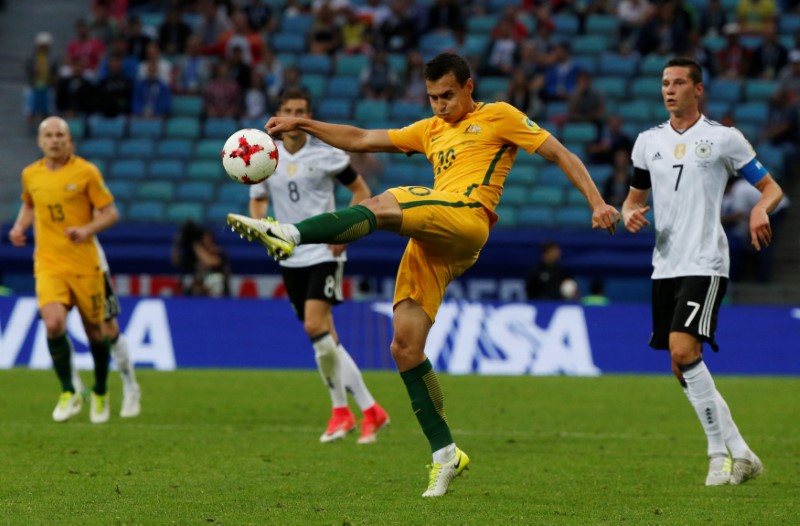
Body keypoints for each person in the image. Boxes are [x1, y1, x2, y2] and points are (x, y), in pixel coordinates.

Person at [226, 53, 620, 496]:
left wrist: (597, 201)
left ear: (469, 87)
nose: (439, 105)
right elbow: (360, 138)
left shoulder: (499, 116)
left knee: (388, 200)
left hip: (469, 219)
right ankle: (445, 453)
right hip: (436, 241)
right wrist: (307, 126)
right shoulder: (430, 129)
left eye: (447, 96)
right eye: (433, 97)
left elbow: (559, 152)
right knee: (405, 348)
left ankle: (290, 233)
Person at [622, 57, 784, 486]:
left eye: (678, 83)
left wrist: (758, 212)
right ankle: (742, 453)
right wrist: (629, 213)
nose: (669, 90)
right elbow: (634, 200)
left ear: (698, 90)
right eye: (664, 83)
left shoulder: (723, 138)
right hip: (665, 264)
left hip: (706, 261)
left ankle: (718, 456)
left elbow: (772, 188)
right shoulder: (646, 142)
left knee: (681, 351)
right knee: (681, 365)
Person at [247, 88, 390, 444]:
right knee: (326, 340)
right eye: (288, 109)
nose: (294, 116)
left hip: (325, 250)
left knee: (315, 326)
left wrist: (345, 228)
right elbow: (258, 201)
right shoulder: (265, 155)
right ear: (278, 114)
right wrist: (264, 229)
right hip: (290, 252)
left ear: (307, 115)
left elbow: (362, 192)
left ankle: (342, 413)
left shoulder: (328, 154)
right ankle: (368, 410)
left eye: (301, 110)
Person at [8, 116, 119, 423]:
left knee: (95, 332)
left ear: (69, 141)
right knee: (53, 324)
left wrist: (86, 229)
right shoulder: (30, 174)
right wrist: (19, 226)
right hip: (48, 263)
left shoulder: (86, 172)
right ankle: (69, 391)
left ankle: (100, 389)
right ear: (40, 141)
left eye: (60, 135)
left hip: (84, 265)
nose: (55, 140)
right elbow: (30, 204)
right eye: (49, 135)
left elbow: (110, 214)